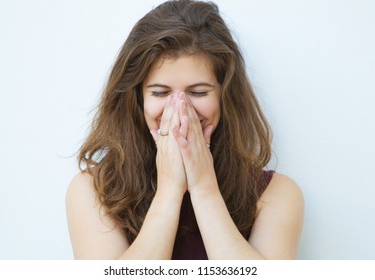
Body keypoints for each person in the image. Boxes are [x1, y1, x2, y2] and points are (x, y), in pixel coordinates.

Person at [65, 0, 304, 260]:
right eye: (160, 92)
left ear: (225, 96)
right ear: (139, 99)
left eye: (198, 92)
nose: (180, 109)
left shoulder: (276, 194)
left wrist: (203, 188)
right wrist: (169, 191)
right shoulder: (92, 191)